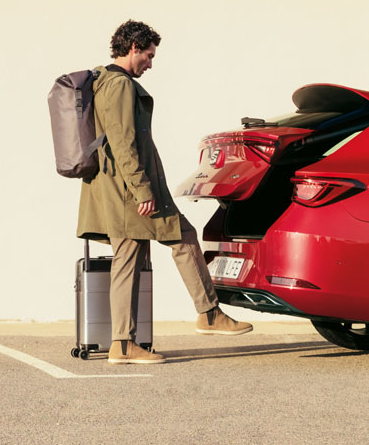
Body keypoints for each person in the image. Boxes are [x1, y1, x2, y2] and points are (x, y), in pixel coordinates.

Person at [78, 20, 253, 363]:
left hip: (121, 189)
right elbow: (123, 142)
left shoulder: (106, 82)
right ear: (132, 48)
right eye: (148, 55)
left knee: (137, 255)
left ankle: (126, 343)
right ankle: (203, 316)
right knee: (176, 240)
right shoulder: (119, 86)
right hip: (131, 192)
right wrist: (143, 190)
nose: (150, 63)